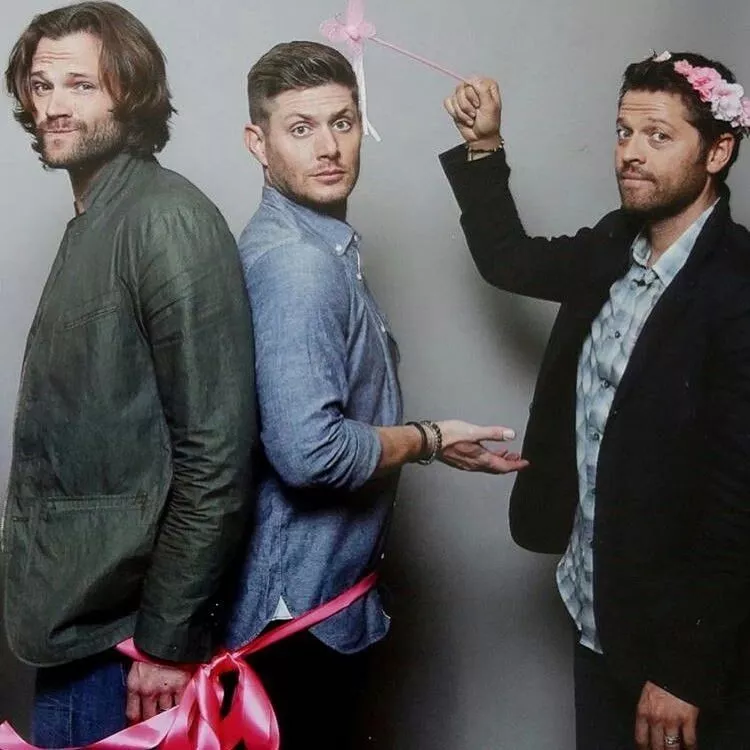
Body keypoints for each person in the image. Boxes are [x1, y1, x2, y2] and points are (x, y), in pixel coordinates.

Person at [224, 40, 529, 749]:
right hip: (296, 620)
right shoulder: (299, 265)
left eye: (343, 122)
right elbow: (310, 454)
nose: (329, 147)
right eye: (301, 128)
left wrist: (431, 443)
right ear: (257, 143)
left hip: (319, 604)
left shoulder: (318, 245)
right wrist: (426, 439)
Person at [441, 52, 750, 750]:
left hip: (681, 652)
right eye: (623, 132)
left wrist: (685, 672)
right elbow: (510, 260)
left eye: (658, 136)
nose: (630, 153)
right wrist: (484, 146)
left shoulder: (736, 290)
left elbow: (738, 506)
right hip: (595, 611)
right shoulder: (615, 244)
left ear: (717, 152)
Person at [2, 3, 256, 746]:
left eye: (80, 84)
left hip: (127, 640)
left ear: (131, 92)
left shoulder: (165, 219)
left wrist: (167, 641)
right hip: (77, 621)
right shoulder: (98, 219)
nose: (54, 104)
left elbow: (217, 451)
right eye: (41, 85)